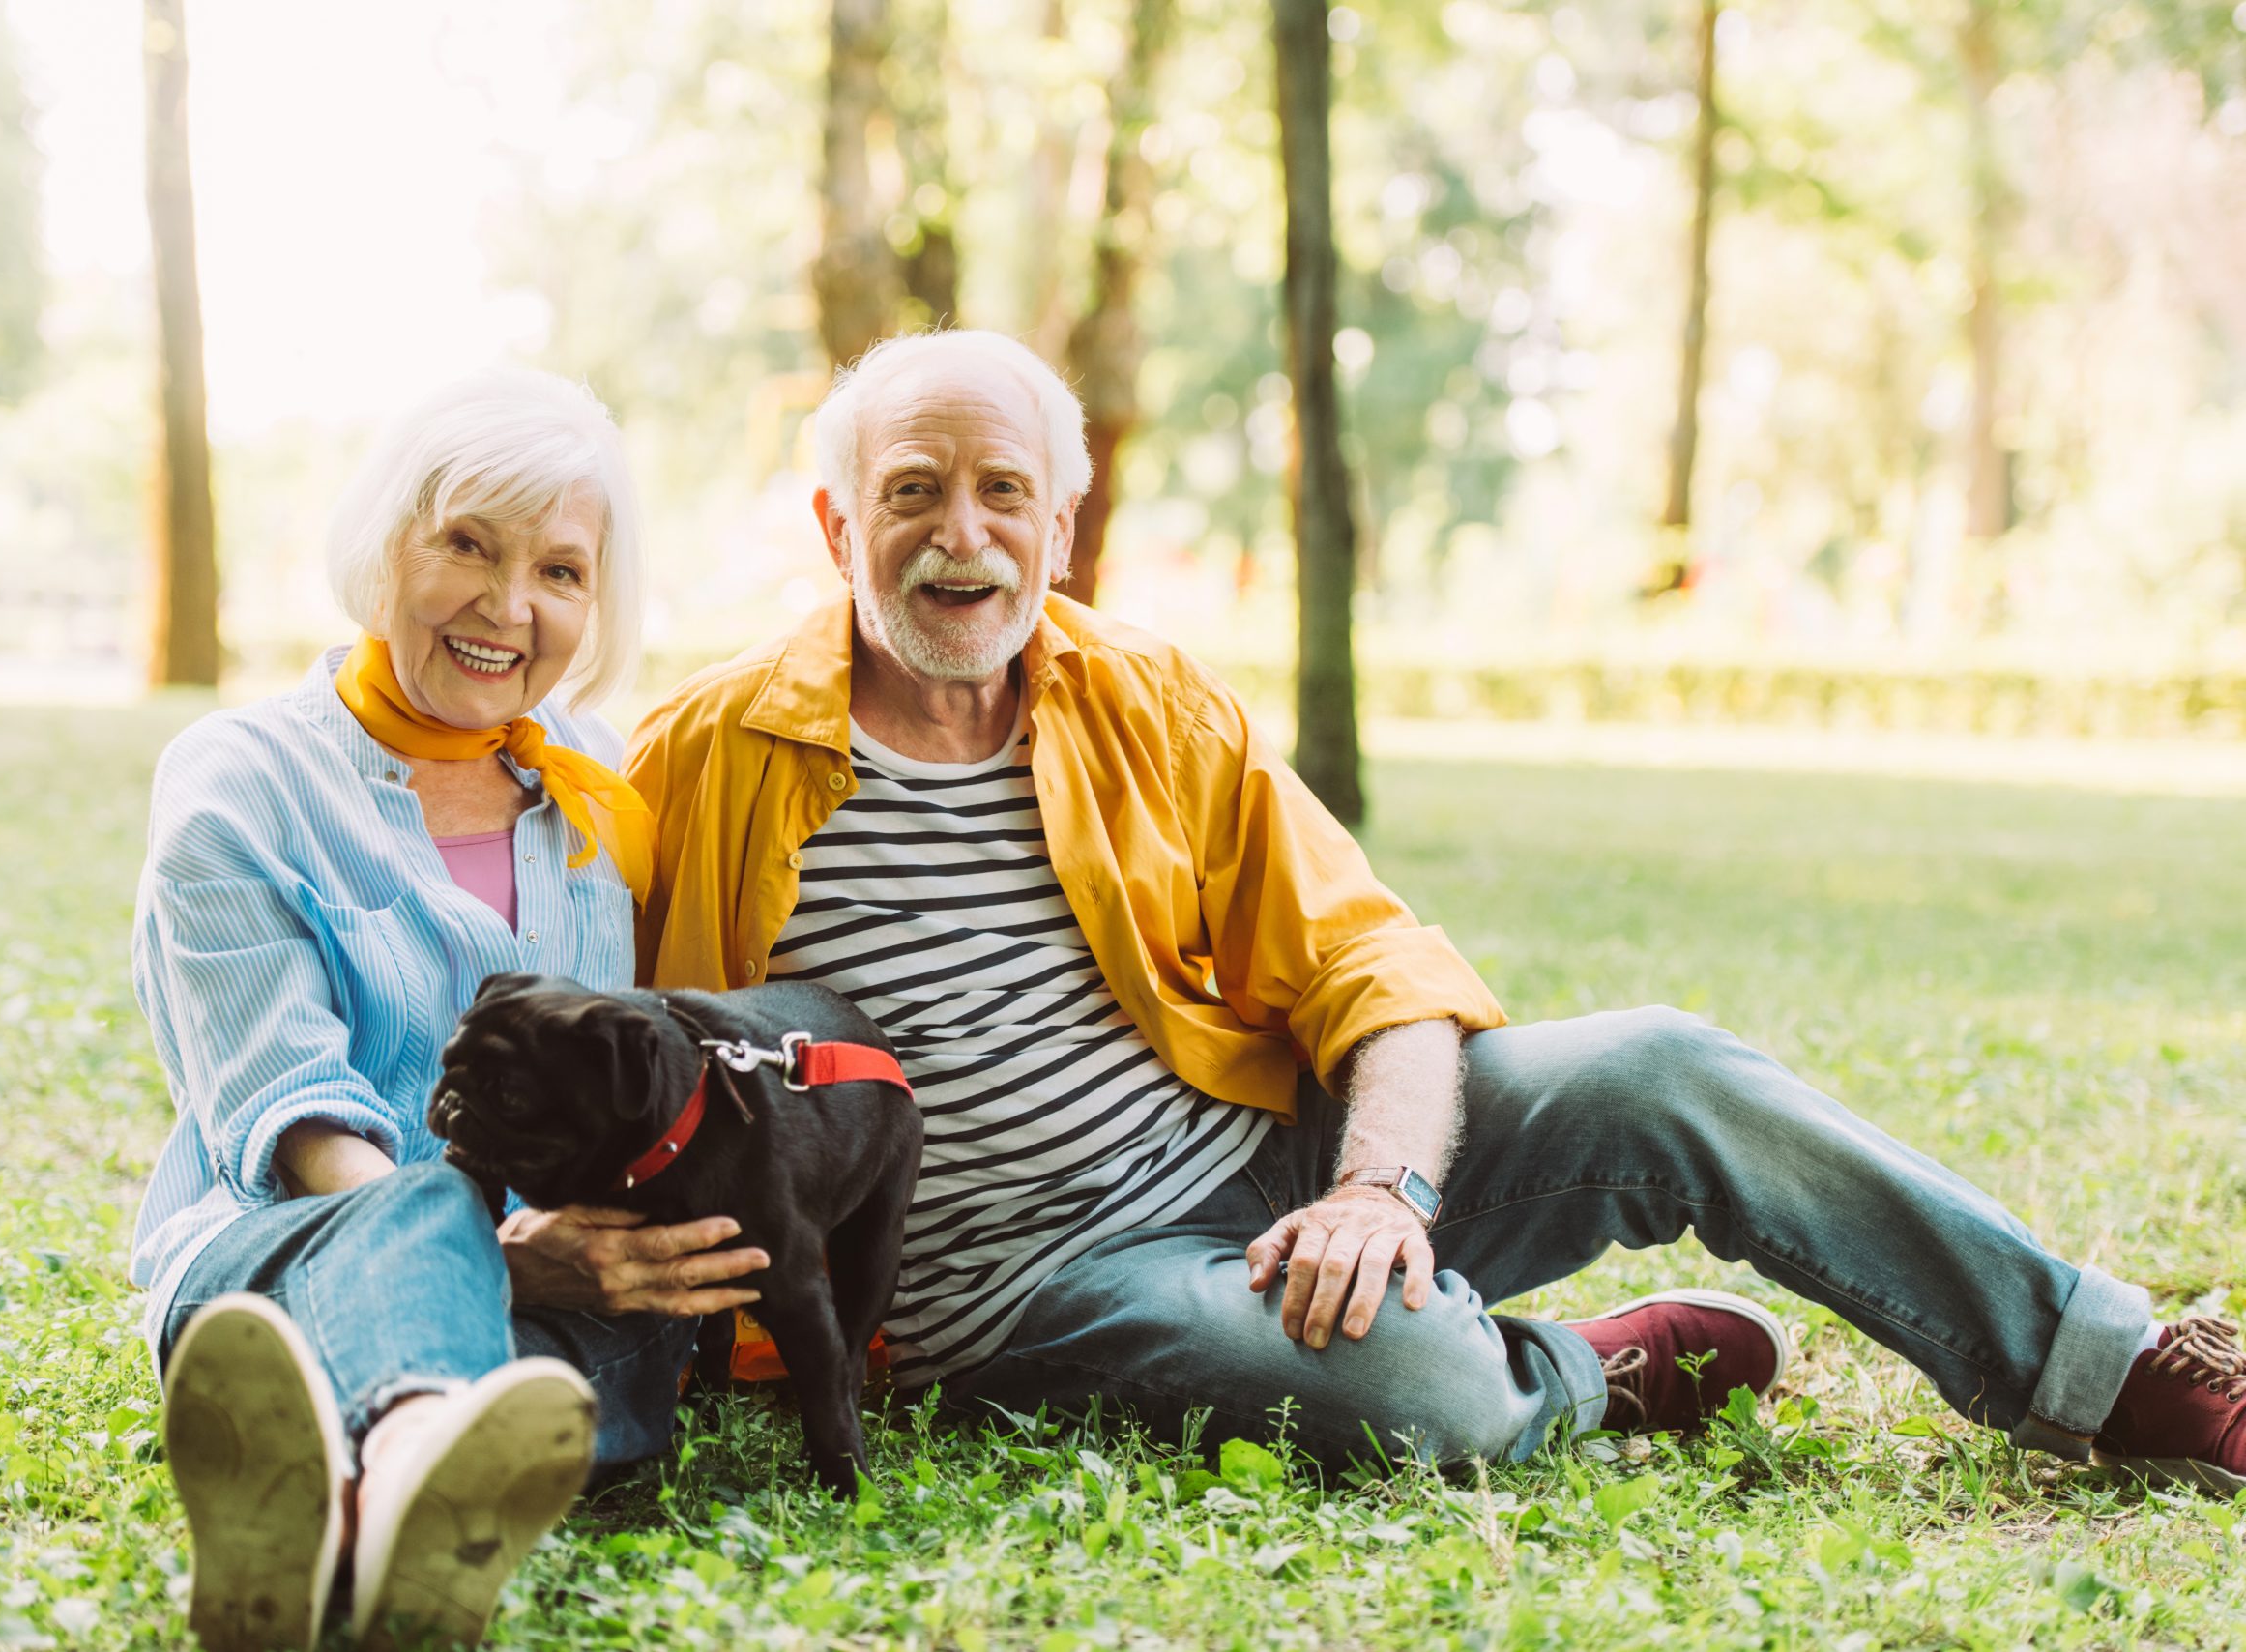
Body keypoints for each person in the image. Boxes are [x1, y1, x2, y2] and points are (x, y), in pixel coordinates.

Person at [625, 329, 2245, 1494]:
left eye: (1002, 493)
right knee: (1425, 1390)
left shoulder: (1144, 699)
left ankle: (2107, 1369)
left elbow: (1373, 966)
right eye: (913, 491)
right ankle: (1584, 1370)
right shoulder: (704, 756)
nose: (958, 536)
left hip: (1269, 1158)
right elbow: (560, 1036)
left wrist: (1379, 1189)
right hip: (1030, 1293)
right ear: (840, 527)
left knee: (1665, 1061)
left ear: (1060, 526)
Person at [129, 371, 770, 1652]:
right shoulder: (242, 777)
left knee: (604, 1360)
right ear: (387, 547)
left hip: (568, 1291)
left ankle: (336, 1514)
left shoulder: (596, 795)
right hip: (285, 1252)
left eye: (560, 570)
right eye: (468, 544)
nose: (508, 605)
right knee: (418, 1222)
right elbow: (284, 1100)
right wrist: (483, 1235)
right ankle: (421, 1455)